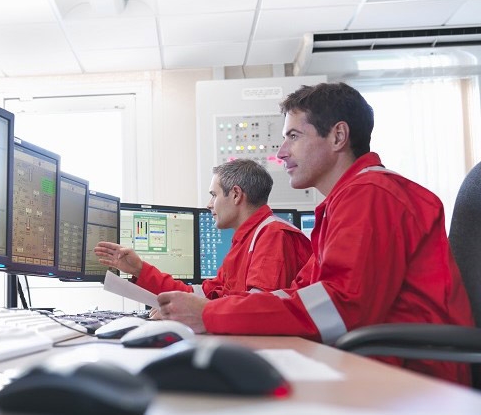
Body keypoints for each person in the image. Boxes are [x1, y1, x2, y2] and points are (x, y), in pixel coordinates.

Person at [95, 82, 473, 385]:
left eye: (293, 136)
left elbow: (339, 309)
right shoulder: (345, 202)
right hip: (378, 362)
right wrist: (206, 309)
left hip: (410, 378)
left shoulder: (372, 196)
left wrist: (211, 315)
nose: (281, 151)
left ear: (338, 136)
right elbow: (300, 296)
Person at [96, 159, 311, 300]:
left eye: (214, 195)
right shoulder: (247, 241)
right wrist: (139, 270)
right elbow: (198, 295)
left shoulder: (273, 236)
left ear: (236, 195)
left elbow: (257, 310)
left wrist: (187, 313)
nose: (209, 204)